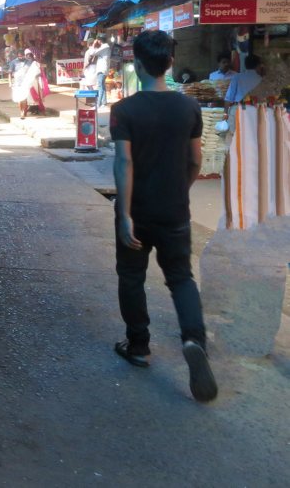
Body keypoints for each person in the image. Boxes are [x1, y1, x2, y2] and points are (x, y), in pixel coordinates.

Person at [110, 29, 217, 403]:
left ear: (136, 64)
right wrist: (181, 191)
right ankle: (193, 340)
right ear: (170, 63)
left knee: (131, 276)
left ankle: (138, 345)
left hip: (137, 212)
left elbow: (124, 162)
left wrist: (124, 215)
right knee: (181, 279)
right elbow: (196, 160)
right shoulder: (189, 107)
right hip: (174, 212)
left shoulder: (124, 110)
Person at [85, 38, 111, 109]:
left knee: (100, 86)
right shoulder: (104, 47)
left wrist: (93, 44)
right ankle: (103, 103)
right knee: (102, 86)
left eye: (97, 40)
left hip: (102, 70)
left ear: (100, 41)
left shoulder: (104, 47)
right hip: (102, 69)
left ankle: (98, 104)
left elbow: (92, 52)